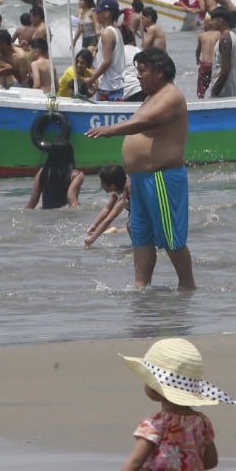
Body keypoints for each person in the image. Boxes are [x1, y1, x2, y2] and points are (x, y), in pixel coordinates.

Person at [85, 48, 195, 291]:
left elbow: (146, 122)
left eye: (143, 71)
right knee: (141, 235)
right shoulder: (150, 97)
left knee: (170, 238)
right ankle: (141, 287)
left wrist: (110, 129)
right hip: (139, 178)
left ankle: (187, 287)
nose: (139, 76)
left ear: (159, 71)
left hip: (162, 178)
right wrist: (130, 176)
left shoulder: (171, 95)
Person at [119, 338, 224, 471]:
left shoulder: (156, 423)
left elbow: (135, 462)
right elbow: (211, 462)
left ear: (155, 389)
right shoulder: (202, 422)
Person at [28, 140, 84, 209]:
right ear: (70, 154)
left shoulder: (42, 171)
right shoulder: (77, 175)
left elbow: (33, 200)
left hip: (46, 213)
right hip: (65, 215)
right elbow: (70, 197)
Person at [84, 165, 130, 247]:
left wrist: (91, 240)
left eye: (102, 183)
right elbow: (107, 208)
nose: (101, 186)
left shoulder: (127, 194)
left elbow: (109, 220)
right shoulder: (119, 185)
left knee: (131, 227)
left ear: (112, 186)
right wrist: (94, 225)